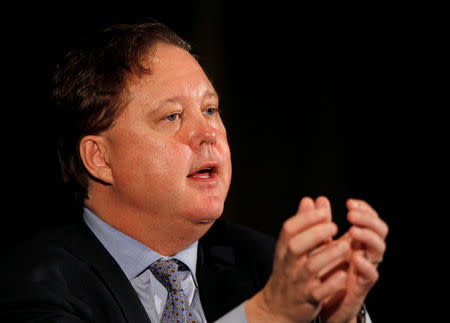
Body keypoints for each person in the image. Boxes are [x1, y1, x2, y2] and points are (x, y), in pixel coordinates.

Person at [0, 21, 388, 323]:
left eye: (210, 109)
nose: (208, 133)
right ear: (100, 159)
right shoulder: (33, 285)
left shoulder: (261, 262)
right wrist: (267, 316)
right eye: (172, 116)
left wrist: (340, 317)